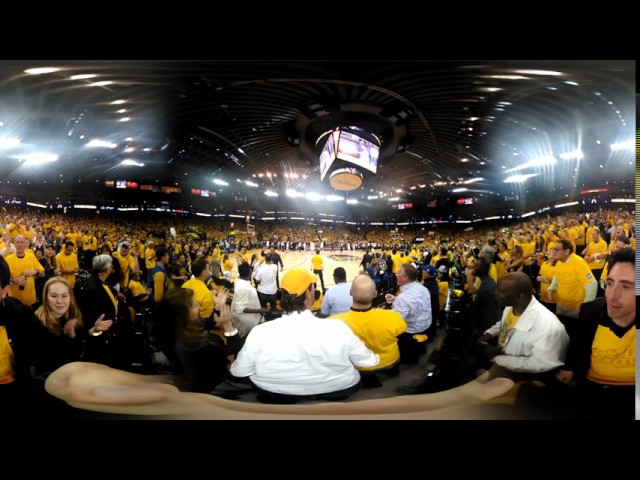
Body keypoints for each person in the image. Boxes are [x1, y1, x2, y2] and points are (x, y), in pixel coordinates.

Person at [230, 268, 380, 404]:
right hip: (337, 391)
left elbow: (239, 371)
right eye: (312, 287)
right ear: (308, 294)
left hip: (275, 394)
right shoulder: (338, 328)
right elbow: (370, 361)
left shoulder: (260, 332)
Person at [551, 248, 635, 419]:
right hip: (590, 391)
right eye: (610, 283)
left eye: (626, 286)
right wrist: (570, 369)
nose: (612, 296)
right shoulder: (591, 313)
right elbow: (576, 349)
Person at [476, 272, 569, 383]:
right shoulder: (512, 306)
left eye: (501, 291)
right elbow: (505, 323)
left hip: (525, 378)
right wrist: (488, 334)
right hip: (503, 360)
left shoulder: (549, 327)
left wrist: (498, 358)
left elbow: (542, 364)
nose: (495, 293)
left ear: (520, 296)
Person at [155, 287, 244, 394]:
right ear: (182, 313)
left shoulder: (173, 329)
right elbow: (234, 349)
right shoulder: (193, 343)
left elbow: (208, 323)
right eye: (195, 305)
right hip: (217, 387)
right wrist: (228, 325)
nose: (200, 307)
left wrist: (218, 306)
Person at [330, 274, 406, 388]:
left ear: (350, 293)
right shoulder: (393, 316)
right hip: (390, 360)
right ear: (375, 294)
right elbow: (402, 330)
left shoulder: (334, 323)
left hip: (359, 365)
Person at [385, 263, 432, 365]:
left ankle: (408, 359)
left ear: (405, 278)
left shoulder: (404, 298)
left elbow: (395, 322)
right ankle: (420, 348)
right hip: (426, 324)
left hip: (412, 330)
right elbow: (413, 304)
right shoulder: (422, 288)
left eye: (398, 272)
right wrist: (396, 299)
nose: (396, 274)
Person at [231, 262, 268, 337]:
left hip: (247, 317)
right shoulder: (243, 288)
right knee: (248, 336)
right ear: (249, 273)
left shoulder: (239, 279)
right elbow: (240, 308)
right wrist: (258, 310)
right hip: (247, 320)